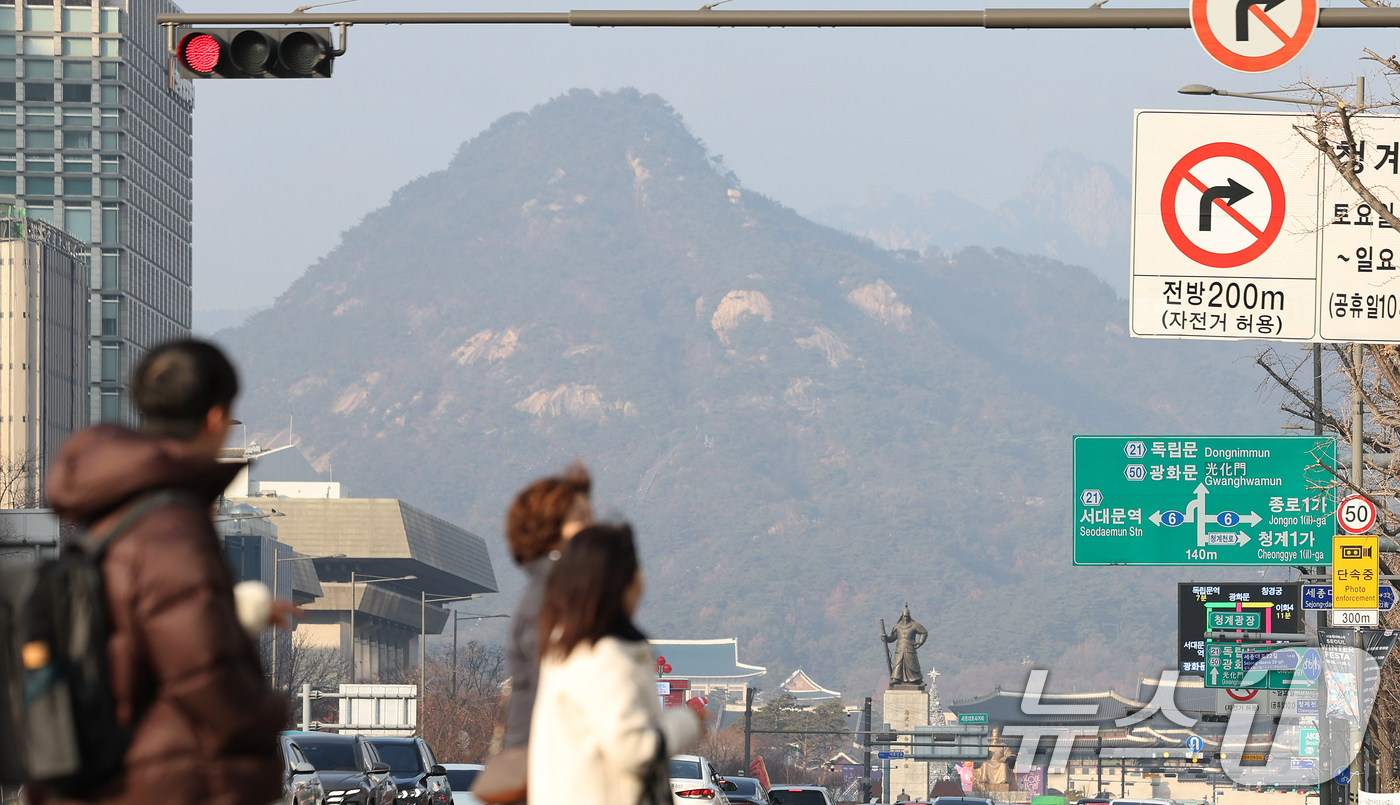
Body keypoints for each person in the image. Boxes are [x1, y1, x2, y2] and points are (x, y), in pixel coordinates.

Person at [43, 340, 288, 805]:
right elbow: (202, 672)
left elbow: (152, 625)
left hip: (113, 765)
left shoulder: (117, 510)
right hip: (164, 779)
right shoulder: (171, 524)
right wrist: (268, 712)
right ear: (216, 418)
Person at [527, 523, 702, 804]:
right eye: (636, 571)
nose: (642, 582)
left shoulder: (566, 647)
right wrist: (687, 722)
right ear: (618, 582)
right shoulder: (607, 657)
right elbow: (634, 747)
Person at [501, 464, 593, 752]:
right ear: (549, 531)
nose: (591, 527)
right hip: (549, 764)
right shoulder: (551, 599)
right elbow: (560, 696)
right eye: (581, 518)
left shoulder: (556, 590)